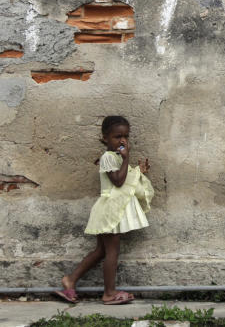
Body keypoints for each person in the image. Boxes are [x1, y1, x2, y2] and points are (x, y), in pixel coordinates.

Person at [55, 115, 154, 305]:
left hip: (112, 209)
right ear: (105, 138)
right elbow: (118, 181)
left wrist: (138, 170)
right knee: (112, 252)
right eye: (117, 137)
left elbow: (124, 179)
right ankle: (109, 293)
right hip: (110, 211)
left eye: (126, 136)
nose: (123, 141)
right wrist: (127, 159)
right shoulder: (108, 158)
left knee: (101, 250)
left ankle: (71, 280)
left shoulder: (116, 157)